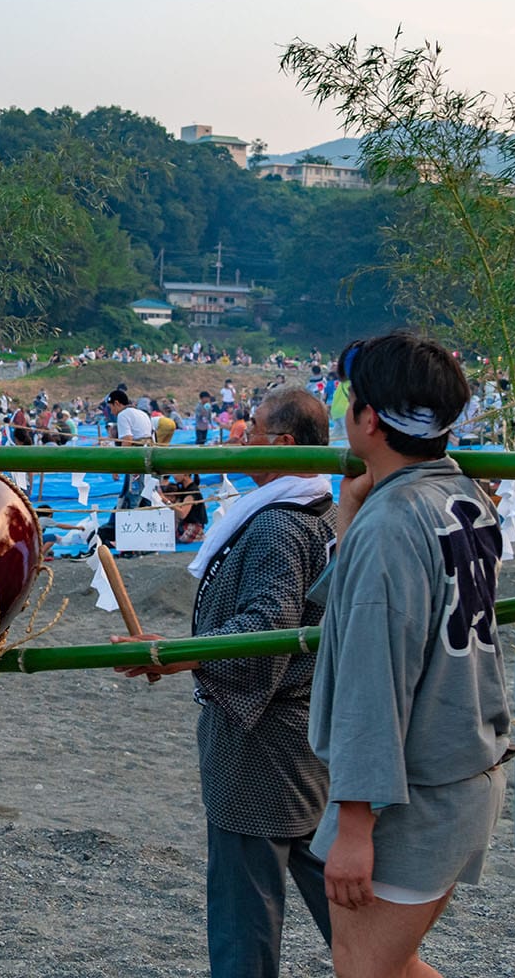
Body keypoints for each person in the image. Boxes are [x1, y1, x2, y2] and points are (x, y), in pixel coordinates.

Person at [113, 388, 337, 977]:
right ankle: (385, 964)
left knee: (245, 904)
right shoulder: (320, 509)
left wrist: (171, 654)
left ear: (284, 444)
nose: (241, 435)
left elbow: (266, 629)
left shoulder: (282, 528)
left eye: (253, 428)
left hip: (263, 733)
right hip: (303, 728)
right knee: (326, 878)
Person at [309, 333, 511, 978]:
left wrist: (354, 827)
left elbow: (373, 682)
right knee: (391, 968)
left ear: (368, 418)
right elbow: (366, 609)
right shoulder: (464, 497)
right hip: (466, 771)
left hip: (413, 794)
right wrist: (351, 511)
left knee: (363, 970)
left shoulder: (395, 523)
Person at [99, 390, 154, 551]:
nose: (111, 411)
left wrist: (118, 466)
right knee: (144, 499)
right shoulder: (142, 413)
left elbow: (127, 440)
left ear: (117, 403)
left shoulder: (123, 415)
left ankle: (129, 543)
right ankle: (146, 541)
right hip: (147, 459)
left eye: (111, 407)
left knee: (132, 500)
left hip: (135, 462)